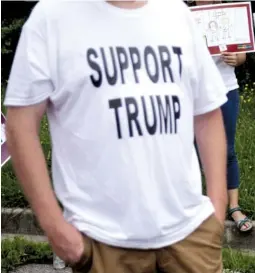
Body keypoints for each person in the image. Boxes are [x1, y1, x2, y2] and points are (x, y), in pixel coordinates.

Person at [4, 0, 229, 272]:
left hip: (192, 235)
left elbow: (207, 113)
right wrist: (54, 225)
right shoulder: (52, 17)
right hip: (103, 241)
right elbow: (20, 124)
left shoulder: (176, 12)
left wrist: (218, 208)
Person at [188, 0, 252, 232]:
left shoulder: (231, 14)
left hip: (225, 89)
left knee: (228, 149)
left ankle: (233, 206)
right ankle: (198, 207)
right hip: (192, 92)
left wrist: (238, 58)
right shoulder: (182, 15)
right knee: (190, 150)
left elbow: (242, 52)